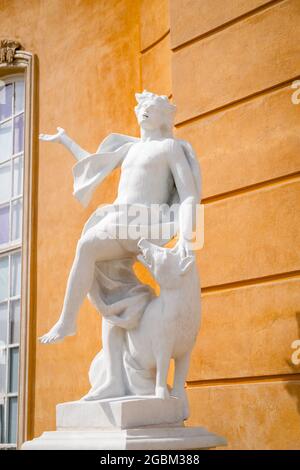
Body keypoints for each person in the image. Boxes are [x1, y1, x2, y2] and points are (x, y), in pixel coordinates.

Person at [39, 90, 201, 400]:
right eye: (142, 107)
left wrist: (186, 238)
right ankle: (114, 378)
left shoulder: (168, 147)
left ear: (165, 117)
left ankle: (66, 321)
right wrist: (65, 140)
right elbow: (91, 164)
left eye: (152, 108)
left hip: (146, 221)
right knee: (114, 303)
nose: (144, 112)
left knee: (86, 246)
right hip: (121, 218)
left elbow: (189, 194)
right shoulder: (129, 149)